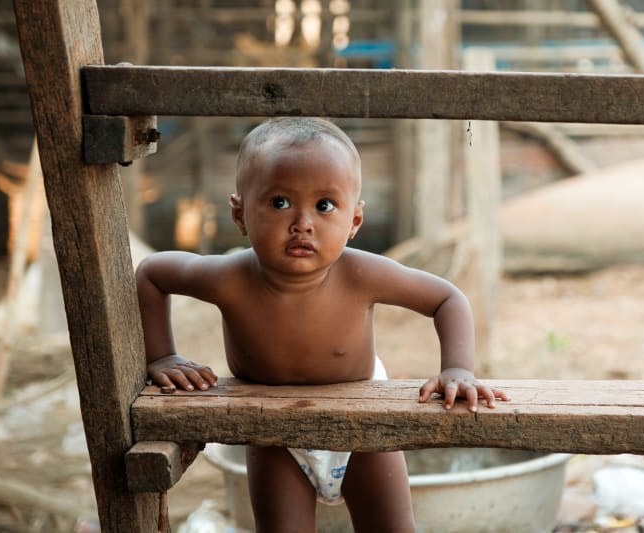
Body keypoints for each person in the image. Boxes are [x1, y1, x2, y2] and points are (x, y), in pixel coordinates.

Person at [135, 117, 509, 533]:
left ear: (355, 221)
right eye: (279, 202)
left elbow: (447, 298)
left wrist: (457, 369)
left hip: (365, 424)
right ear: (239, 214)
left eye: (325, 205)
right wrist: (163, 354)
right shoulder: (228, 278)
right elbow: (152, 274)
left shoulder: (361, 274)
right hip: (272, 431)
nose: (303, 223)